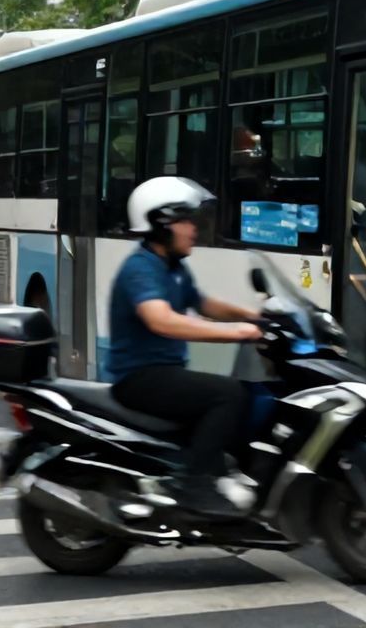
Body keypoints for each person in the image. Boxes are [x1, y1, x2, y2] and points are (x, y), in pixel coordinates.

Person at [108, 176, 263, 518]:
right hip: (139, 378)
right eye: (186, 220)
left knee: (242, 400)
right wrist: (237, 333)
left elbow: (203, 303)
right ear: (161, 224)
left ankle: (222, 477)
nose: (194, 228)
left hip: (165, 372)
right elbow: (161, 320)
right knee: (228, 394)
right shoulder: (140, 268)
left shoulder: (173, 267)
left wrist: (258, 316)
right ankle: (196, 484)